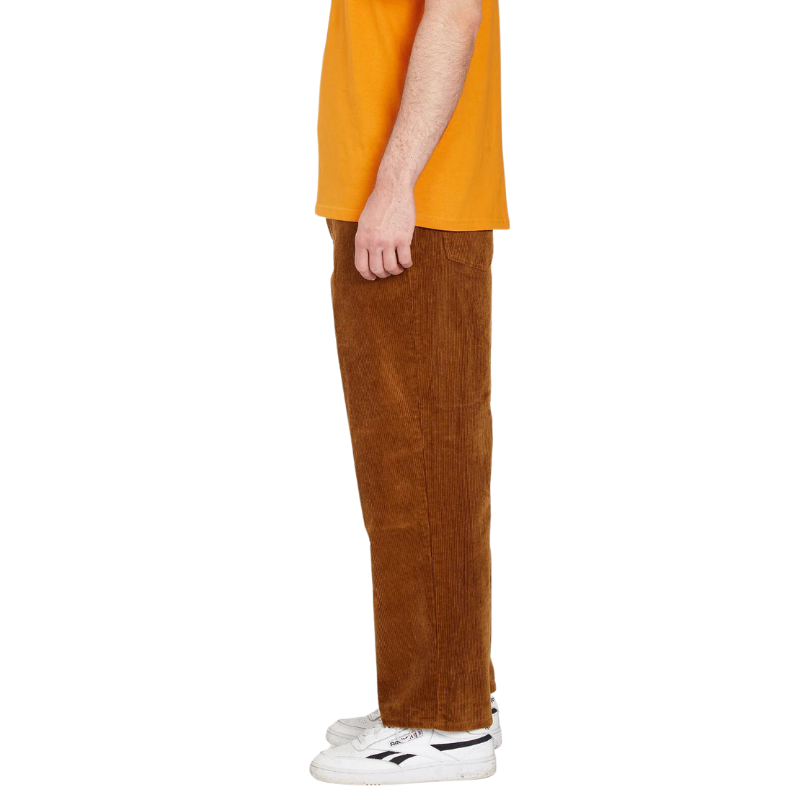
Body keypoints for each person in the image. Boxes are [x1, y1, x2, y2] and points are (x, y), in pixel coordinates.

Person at [310, 0, 509, 785]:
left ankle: (445, 720)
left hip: (411, 206)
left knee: (421, 469)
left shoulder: (403, 198)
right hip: (389, 200)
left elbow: (455, 18)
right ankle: (444, 689)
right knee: (414, 467)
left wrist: (395, 185)